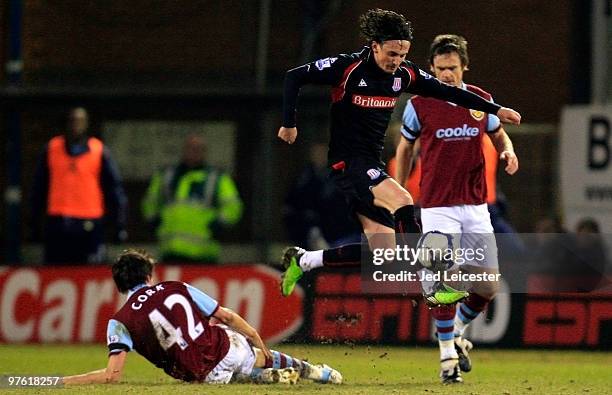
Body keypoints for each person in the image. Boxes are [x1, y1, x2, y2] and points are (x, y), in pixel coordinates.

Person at [277, 9, 521, 306]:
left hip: (371, 165)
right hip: (349, 163)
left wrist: (496, 110)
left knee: (385, 256)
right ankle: (431, 283)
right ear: (375, 45)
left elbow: (451, 93)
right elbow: (294, 77)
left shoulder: (404, 74)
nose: (396, 61)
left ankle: (304, 261)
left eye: (402, 54)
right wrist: (289, 123)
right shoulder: (348, 68)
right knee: (404, 200)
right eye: (391, 53)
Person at [394, 34, 519, 383]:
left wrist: (508, 151)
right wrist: (401, 189)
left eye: (451, 68)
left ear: (464, 66)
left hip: (476, 205)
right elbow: (405, 148)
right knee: (440, 280)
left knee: (488, 287)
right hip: (437, 206)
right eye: (439, 68)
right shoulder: (419, 104)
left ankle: (455, 331)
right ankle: (447, 357)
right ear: (431, 68)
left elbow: (498, 134)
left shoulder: (481, 100)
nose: (445, 74)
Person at [62, 249, 342, 385]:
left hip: (203, 375)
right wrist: (256, 339)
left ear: (119, 285)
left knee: (221, 373)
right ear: (149, 276)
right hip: (227, 348)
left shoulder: (120, 321)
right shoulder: (176, 287)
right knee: (229, 338)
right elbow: (227, 316)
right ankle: (314, 372)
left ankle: (265, 377)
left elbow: (112, 375)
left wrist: (65, 381)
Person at [30, 107, 128, 264]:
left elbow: (114, 189)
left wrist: (119, 225)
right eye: (73, 121)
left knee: (90, 269)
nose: (76, 125)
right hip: (58, 222)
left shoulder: (99, 150)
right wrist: (34, 223)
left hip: (89, 223)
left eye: (80, 121)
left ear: (87, 124)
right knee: (56, 269)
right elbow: (38, 188)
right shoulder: (52, 149)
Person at [142, 134, 243, 264]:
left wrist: (218, 224)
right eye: (190, 148)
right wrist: (154, 220)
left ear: (204, 152)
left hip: (204, 252)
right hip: (169, 249)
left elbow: (233, 206)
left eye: (198, 149)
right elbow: (150, 201)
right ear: (184, 150)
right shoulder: (167, 175)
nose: (193, 153)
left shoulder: (216, 178)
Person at [284, 142, 361, 250]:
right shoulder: (305, 177)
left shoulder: (340, 175)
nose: (319, 157)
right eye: (316, 153)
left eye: (323, 153)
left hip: (340, 233)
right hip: (313, 232)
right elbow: (297, 204)